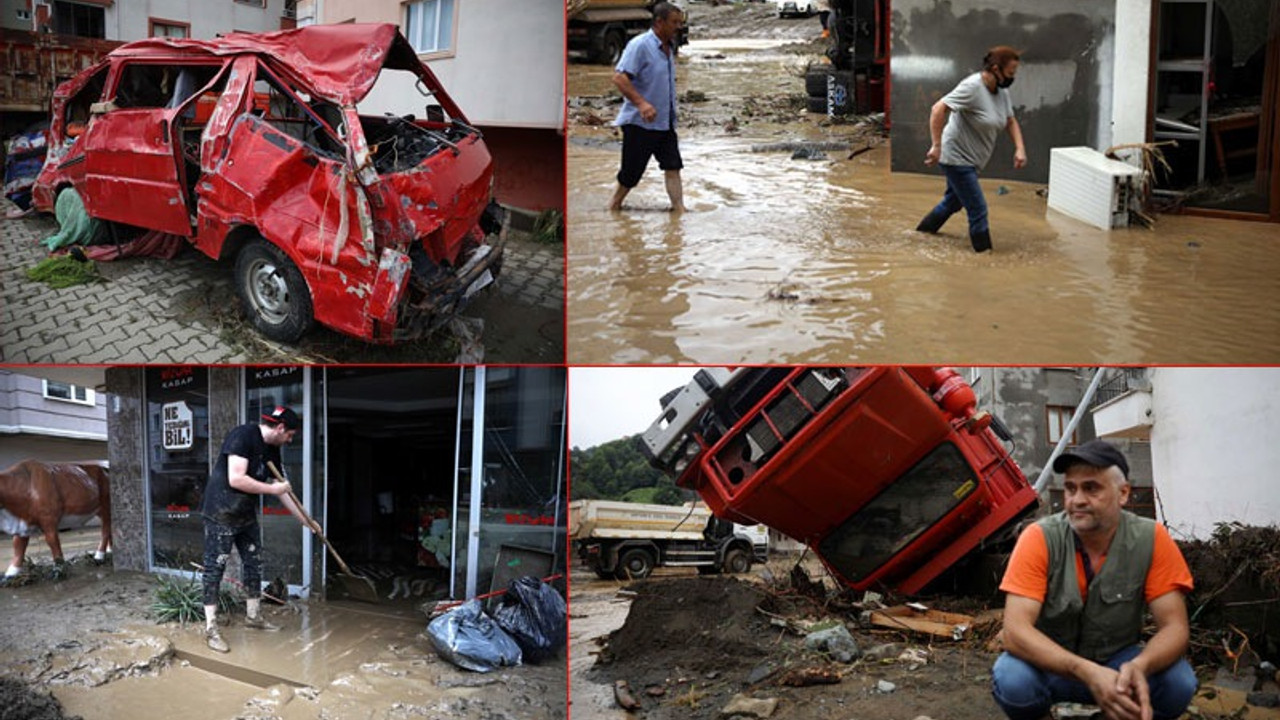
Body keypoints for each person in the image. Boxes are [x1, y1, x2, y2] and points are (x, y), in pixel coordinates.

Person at [993, 439, 1198, 720]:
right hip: (1051, 665)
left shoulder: (1152, 539)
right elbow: (1015, 631)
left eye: (1091, 488)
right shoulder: (1039, 537)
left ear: (1123, 493)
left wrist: (1140, 666)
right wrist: (1086, 671)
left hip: (1118, 666)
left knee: (1178, 683)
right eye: (1070, 488)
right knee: (1013, 679)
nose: (1077, 499)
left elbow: (1174, 627)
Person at [200, 406, 310, 653]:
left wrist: (305, 520)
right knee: (215, 568)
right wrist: (274, 490)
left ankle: (254, 616)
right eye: (290, 434)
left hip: (244, 514)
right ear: (280, 428)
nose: (290, 439)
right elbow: (236, 479)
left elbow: (283, 490)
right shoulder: (243, 436)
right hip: (220, 512)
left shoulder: (272, 450)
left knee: (253, 563)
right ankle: (211, 629)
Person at [916, 46, 1027, 253]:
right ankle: (985, 256)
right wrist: (936, 145)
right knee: (978, 209)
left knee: (953, 202)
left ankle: (922, 234)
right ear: (995, 68)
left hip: (973, 160)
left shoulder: (1002, 92)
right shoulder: (972, 87)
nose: (1013, 77)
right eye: (1011, 73)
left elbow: (1010, 121)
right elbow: (938, 108)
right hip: (956, 157)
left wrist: (1020, 149)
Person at [608, 2, 686, 212]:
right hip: (640, 123)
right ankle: (614, 205)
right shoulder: (640, 45)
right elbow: (620, 77)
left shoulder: (669, 47)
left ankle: (679, 210)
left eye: (680, 22)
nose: (678, 27)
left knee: (673, 166)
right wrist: (642, 103)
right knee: (631, 174)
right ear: (659, 22)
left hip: (665, 122)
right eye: (674, 22)